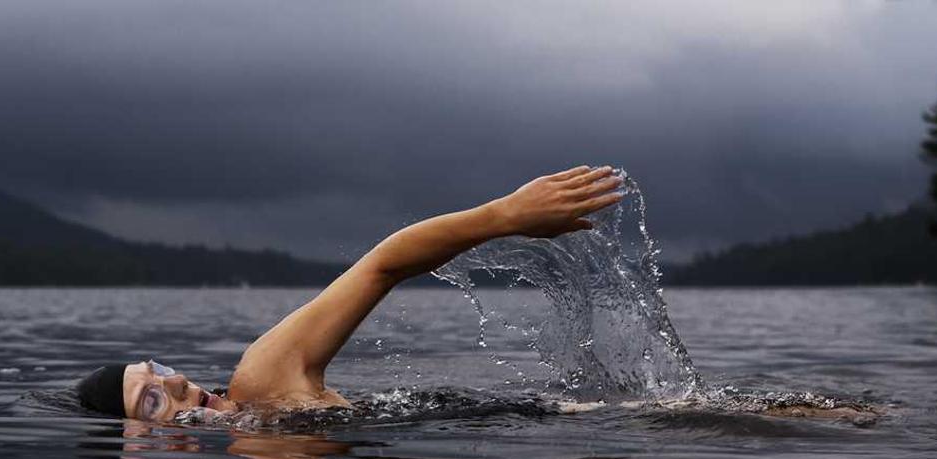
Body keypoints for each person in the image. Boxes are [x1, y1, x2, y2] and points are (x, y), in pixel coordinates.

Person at [77, 165, 625, 421]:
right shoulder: (255, 455)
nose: (176, 381)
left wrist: (504, 216)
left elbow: (381, 266)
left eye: (159, 370)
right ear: (140, 449)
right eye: (152, 399)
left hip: (567, 420)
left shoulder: (261, 382)